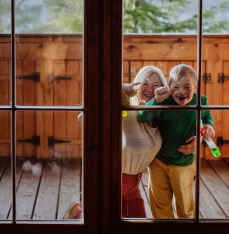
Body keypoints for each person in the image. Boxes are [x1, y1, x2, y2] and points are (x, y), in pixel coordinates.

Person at [62, 65, 197, 219]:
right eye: (145, 84)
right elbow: (84, 117)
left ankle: (80, 213)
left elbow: (188, 125)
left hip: (134, 190)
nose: (150, 89)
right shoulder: (125, 112)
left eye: (156, 85)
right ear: (135, 86)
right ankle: (78, 214)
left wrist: (198, 140)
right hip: (111, 186)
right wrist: (117, 90)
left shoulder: (162, 118)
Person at [136, 64, 215, 219]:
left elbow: (206, 116)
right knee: (160, 203)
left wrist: (208, 126)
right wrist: (157, 100)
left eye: (187, 87)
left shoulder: (201, 100)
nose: (182, 92)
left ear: (195, 87)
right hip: (159, 160)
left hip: (184, 162)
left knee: (185, 205)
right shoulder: (163, 101)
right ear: (170, 87)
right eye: (176, 87)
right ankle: (166, 233)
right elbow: (141, 117)